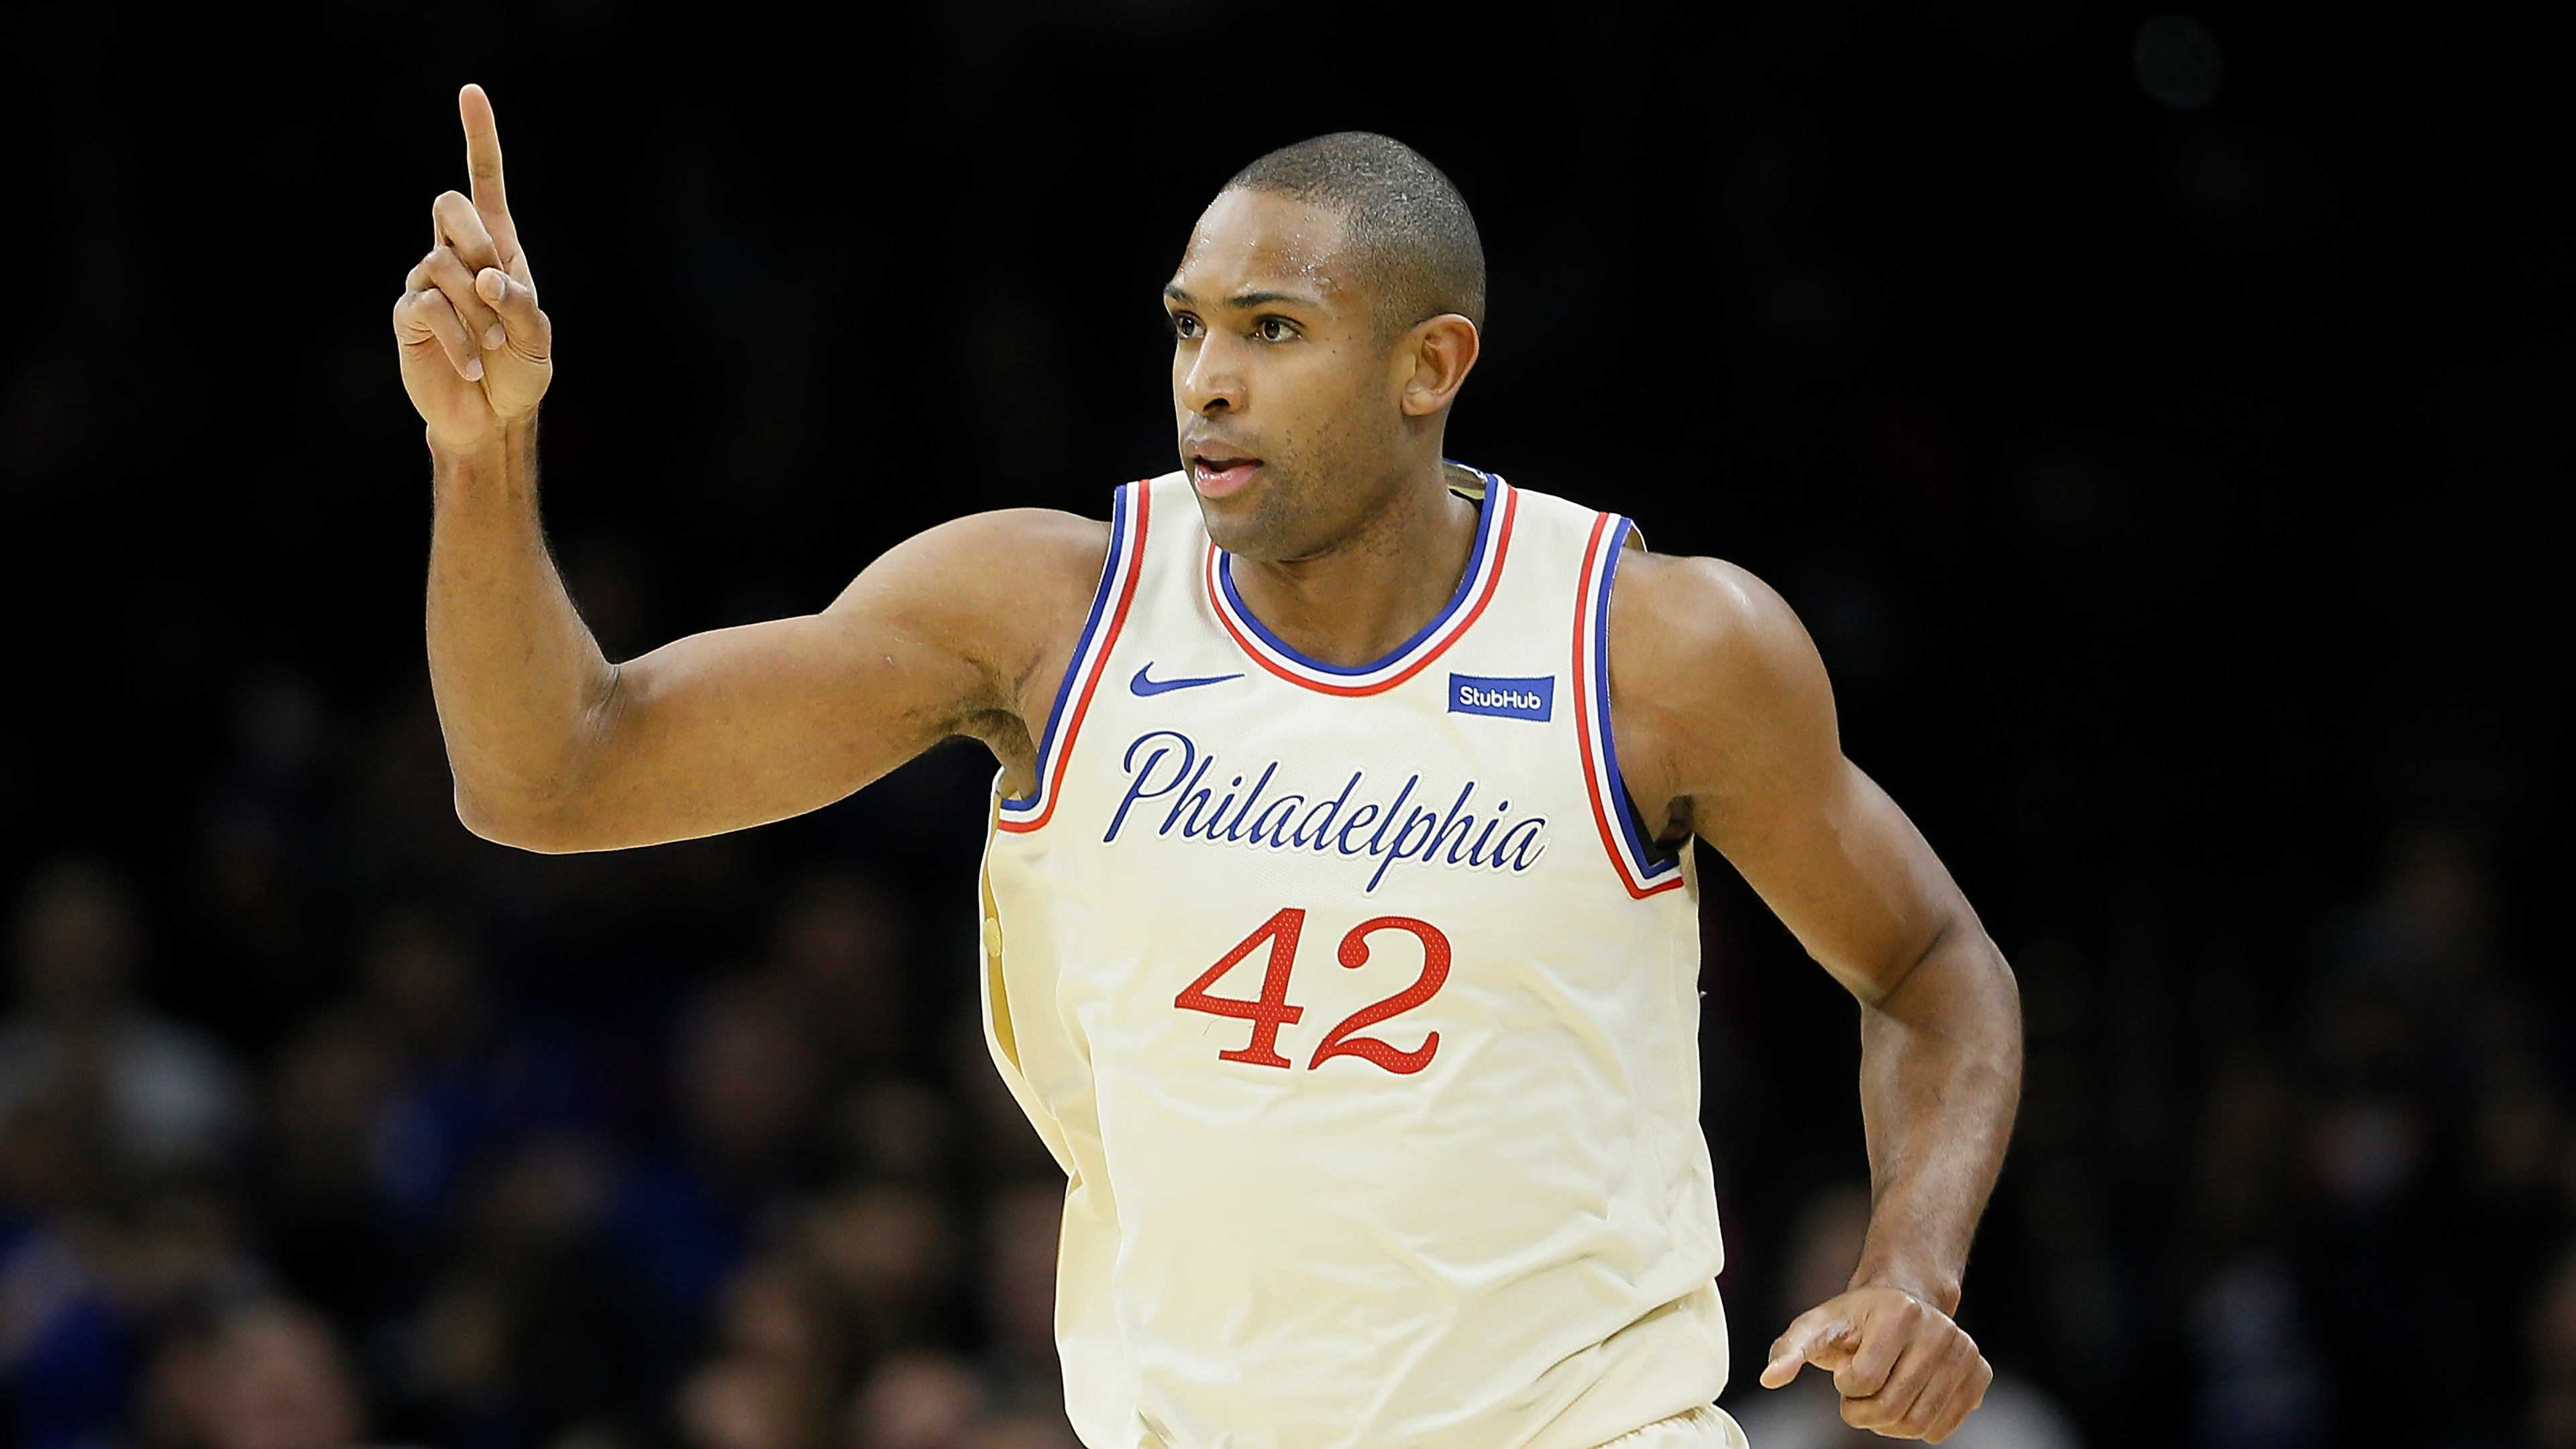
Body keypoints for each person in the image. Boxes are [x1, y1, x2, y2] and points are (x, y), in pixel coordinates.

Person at [392, 84, 2022, 1448]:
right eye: (1188, 327)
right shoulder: (1042, 612)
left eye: (1272, 329)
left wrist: (1913, 1267)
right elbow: (551, 780)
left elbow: (1933, 964)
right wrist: (482, 453)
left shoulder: (1654, 648)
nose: (1207, 379)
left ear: (1430, 367)